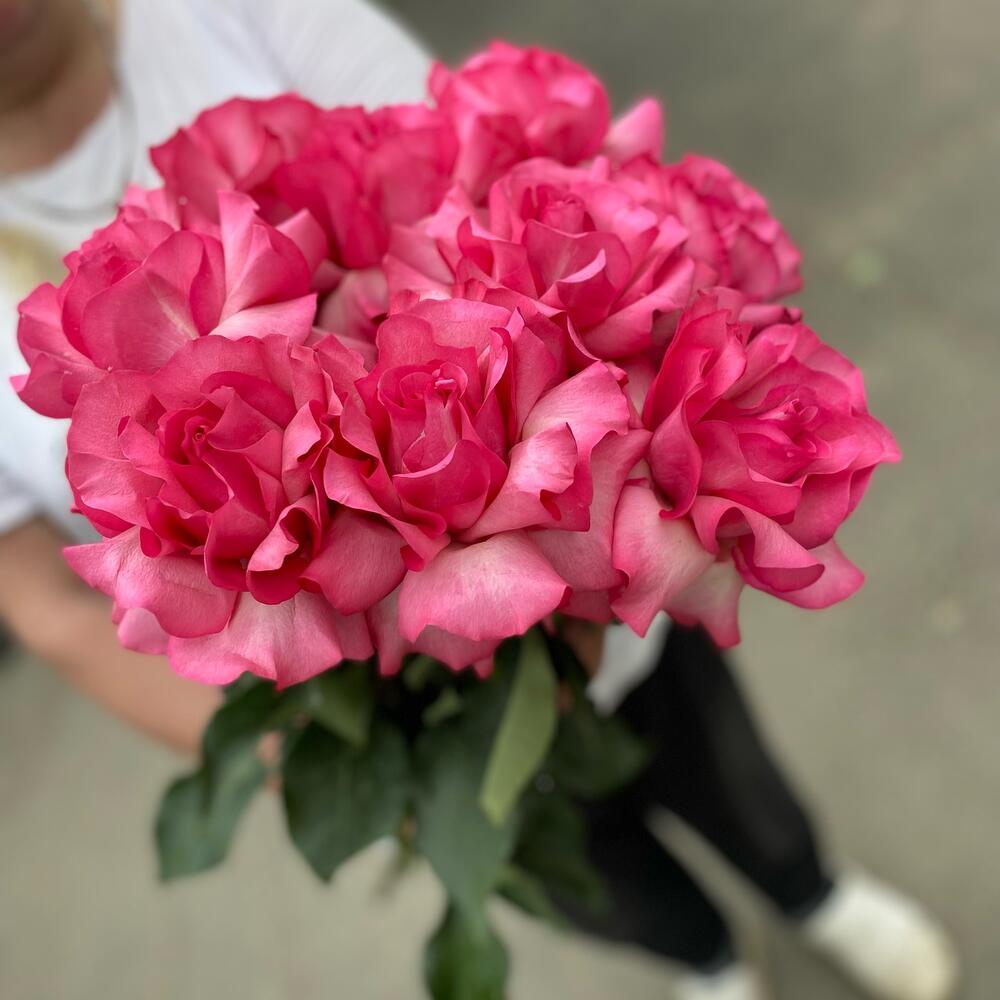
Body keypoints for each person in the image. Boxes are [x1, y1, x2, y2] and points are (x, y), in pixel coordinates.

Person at [0, 3, 958, 998]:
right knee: (564, 858)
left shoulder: (231, 14)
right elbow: (50, 608)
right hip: (412, 697)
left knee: (714, 750)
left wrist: (592, 562)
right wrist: (301, 749)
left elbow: (461, 181)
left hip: (601, 577)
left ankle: (814, 892)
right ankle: (709, 963)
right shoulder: (288, 435)